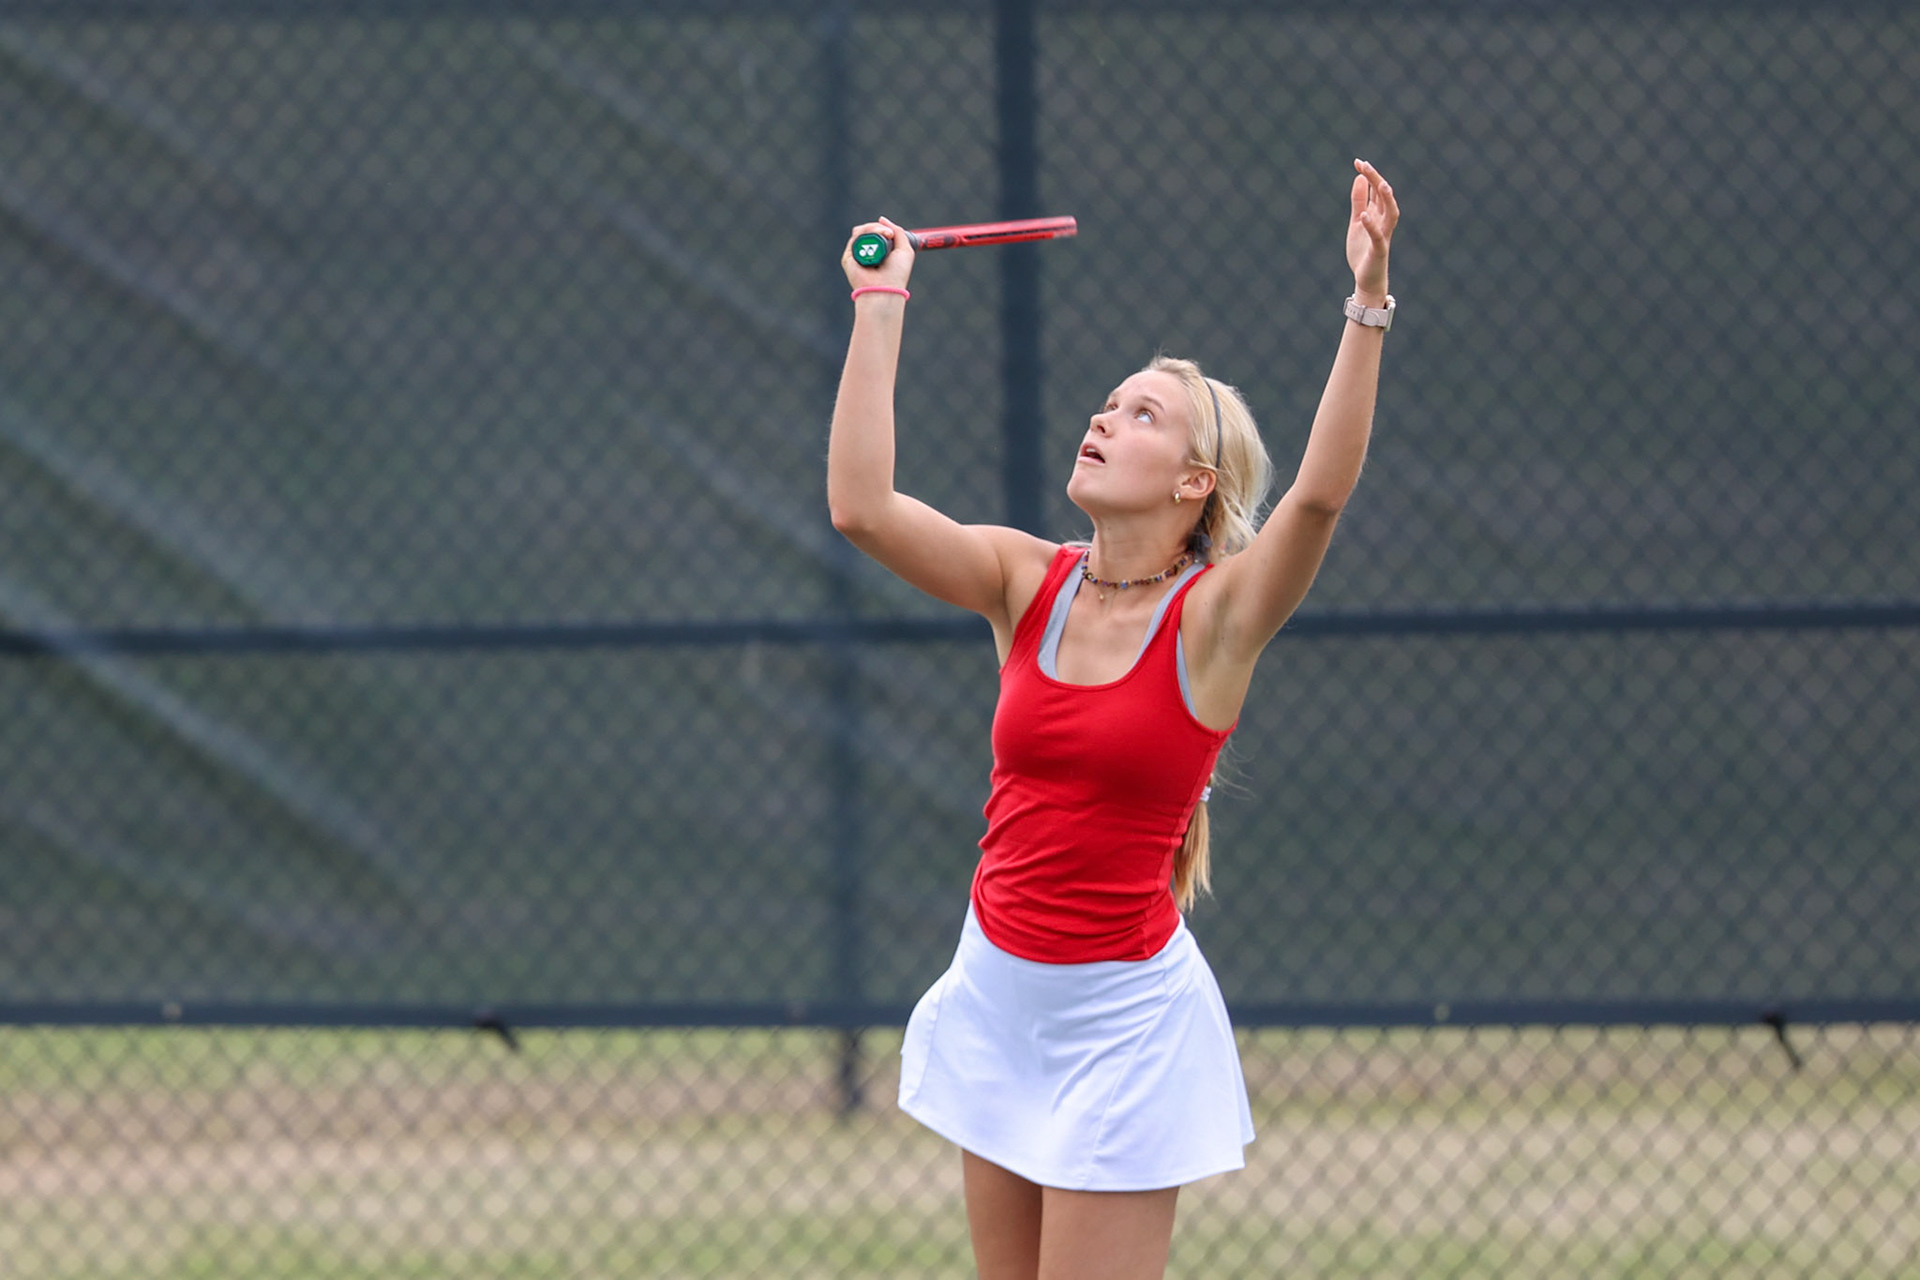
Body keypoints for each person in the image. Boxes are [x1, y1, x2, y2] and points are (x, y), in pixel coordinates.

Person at [827, 160, 1400, 1280]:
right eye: (1109, 399)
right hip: (997, 990)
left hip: (1123, 1029)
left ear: (1193, 483)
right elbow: (861, 505)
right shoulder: (1022, 577)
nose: (1106, 414)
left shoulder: (1216, 619)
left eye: (1144, 413)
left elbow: (1319, 496)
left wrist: (1367, 299)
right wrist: (881, 305)